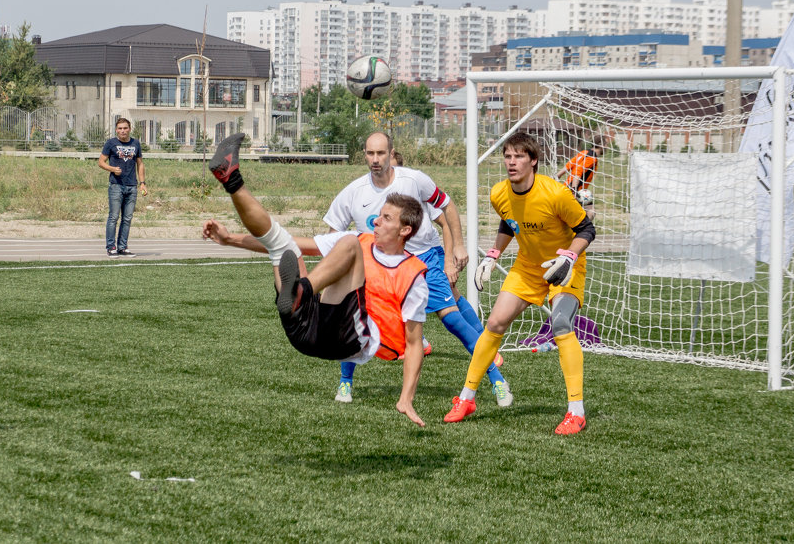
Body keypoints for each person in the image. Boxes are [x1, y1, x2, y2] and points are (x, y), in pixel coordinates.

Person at [202, 133, 429, 427]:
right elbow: (300, 242)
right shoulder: (364, 240)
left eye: (386, 218)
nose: (376, 221)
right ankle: (230, 177)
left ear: (405, 230)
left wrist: (406, 397)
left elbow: (413, 344)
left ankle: (301, 291)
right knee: (280, 241)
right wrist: (229, 239)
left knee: (348, 244)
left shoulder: (413, 275)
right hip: (308, 331)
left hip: (351, 340)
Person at [323, 132, 509, 407]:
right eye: (370, 154)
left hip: (423, 260)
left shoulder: (414, 180)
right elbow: (332, 235)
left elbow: (446, 206)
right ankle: (345, 383)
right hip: (379, 267)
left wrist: (456, 247)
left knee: (453, 320)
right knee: (355, 321)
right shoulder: (353, 192)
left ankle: (497, 380)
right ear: (364, 154)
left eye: (381, 153)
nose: (376, 160)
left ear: (391, 153)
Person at [445, 132, 596, 435]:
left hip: (564, 266)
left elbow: (587, 228)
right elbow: (508, 221)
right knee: (495, 323)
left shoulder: (556, 193)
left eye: (518, 156)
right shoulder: (499, 192)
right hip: (527, 267)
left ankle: (576, 411)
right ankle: (467, 398)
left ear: (533, 161)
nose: (511, 162)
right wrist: (493, 254)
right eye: (507, 156)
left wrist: (567, 257)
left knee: (561, 323)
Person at [97, 118, 147, 257]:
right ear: (116, 130)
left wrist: (142, 183)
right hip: (116, 186)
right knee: (113, 217)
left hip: (132, 186)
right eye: (120, 128)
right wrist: (112, 169)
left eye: (125, 128)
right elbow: (101, 162)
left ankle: (123, 247)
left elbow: (140, 164)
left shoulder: (135, 143)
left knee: (127, 218)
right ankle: (111, 247)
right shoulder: (111, 143)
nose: (122, 131)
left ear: (129, 129)